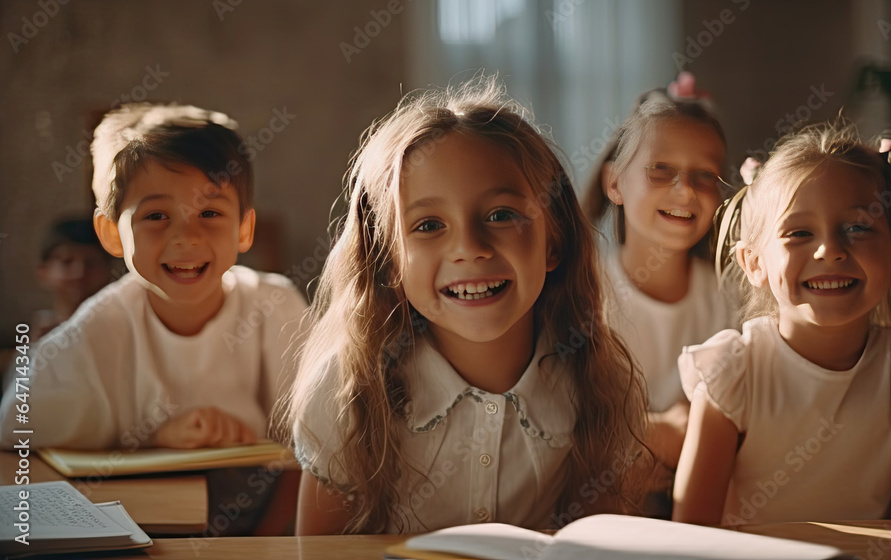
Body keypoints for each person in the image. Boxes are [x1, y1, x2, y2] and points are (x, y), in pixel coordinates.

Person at [287, 76, 650, 535]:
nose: (469, 248)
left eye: (500, 215)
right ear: (389, 261)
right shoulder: (346, 392)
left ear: (552, 241)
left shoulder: (601, 380)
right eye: (429, 225)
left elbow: (599, 545)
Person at [0, 102, 308, 534]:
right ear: (110, 232)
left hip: (271, 524)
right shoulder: (102, 324)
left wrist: (267, 547)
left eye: (210, 213)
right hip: (147, 528)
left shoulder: (274, 305)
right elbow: (15, 424)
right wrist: (151, 437)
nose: (186, 236)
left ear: (243, 228)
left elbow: (321, 449)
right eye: (156, 216)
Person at [672, 119, 891, 527]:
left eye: (858, 227)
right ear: (754, 263)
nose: (830, 249)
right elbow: (691, 537)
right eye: (799, 232)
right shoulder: (732, 373)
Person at [582, 75, 736, 476]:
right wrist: (663, 431)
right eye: (661, 169)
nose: (685, 190)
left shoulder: (732, 298)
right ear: (614, 182)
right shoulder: (583, 291)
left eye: (705, 175)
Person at [33, 217, 115, 337]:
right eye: (67, 262)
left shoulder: (128, 330)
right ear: (43, 272)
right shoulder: (36, 337)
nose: (79, 274)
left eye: (91, 263)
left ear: (109, 270)